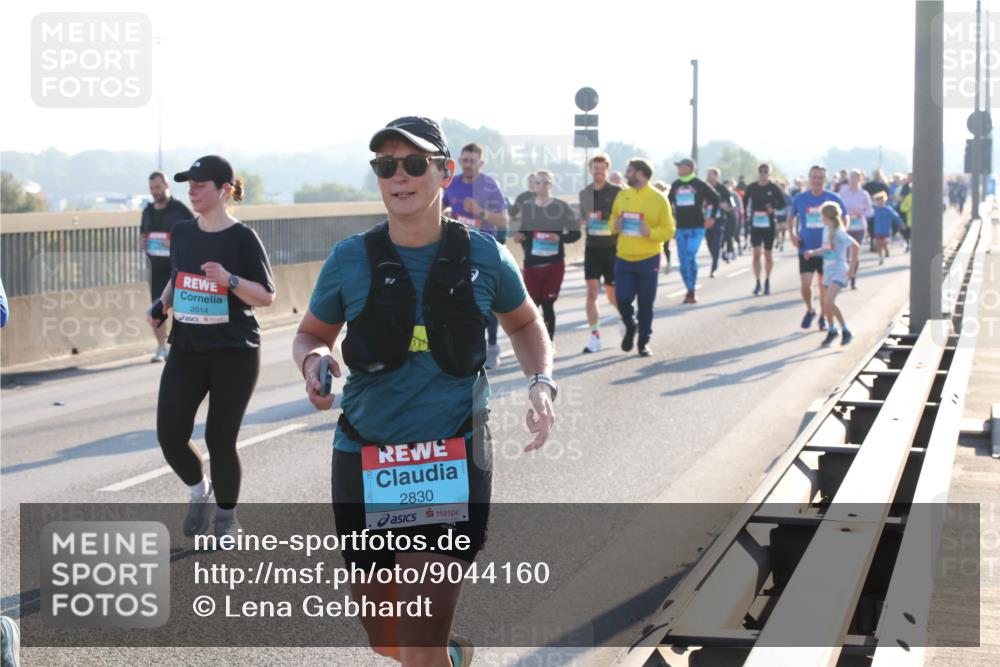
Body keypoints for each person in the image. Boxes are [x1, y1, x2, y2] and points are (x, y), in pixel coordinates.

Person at [292, 116, 555, 667]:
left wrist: (540, 383)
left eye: (414, 164)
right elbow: (311, 335)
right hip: (365, 455)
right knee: (384, 638)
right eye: (386, 166)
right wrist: (314, 360)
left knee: (416, 642)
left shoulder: (485, 257)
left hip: (449, 456)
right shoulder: (350, 260)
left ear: (444, 172)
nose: (400, 176)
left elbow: (527, 324)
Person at [147, 155, 275, 539]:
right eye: (189, 184)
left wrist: (229, 279)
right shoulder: (183, 232)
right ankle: (199, 492)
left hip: (234, 350)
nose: (192, 191)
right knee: (170, 434)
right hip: (187, 345)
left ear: (223, 190)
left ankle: (226, 518)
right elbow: (177, 277)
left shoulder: (242, 238)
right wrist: (162, 304)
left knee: (220, 438)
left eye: (200, 185)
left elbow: (267, 296)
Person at [442, 142, 511, 369]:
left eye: (473, 161)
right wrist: (444, 214)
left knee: (486, 302)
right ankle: (462, 347)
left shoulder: (490, 186)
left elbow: (503, 220)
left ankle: (492, 347)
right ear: (459, 161)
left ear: (481, 163)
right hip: (457, 249)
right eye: (465, 160)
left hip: (483, 249)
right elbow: (439, 207)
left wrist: (479, 212)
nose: (468, 165)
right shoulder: (451, 184)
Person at [610, 158, 675, 356]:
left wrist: (651, 232)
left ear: (641, 174)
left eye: (629, 171)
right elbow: (612, 221)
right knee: (622, 299)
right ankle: (631, 326)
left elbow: (669, 230)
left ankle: (643, 342)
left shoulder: (658, 199)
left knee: (646, 303)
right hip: (624, 257)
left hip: (648, 258)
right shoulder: (623, 195)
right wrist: (615, 226)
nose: (626, 174)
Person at [515, 169, 581, 342]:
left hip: (554, 264)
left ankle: (548, 343)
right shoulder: (528, 206)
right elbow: (523, 229)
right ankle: (533, 341)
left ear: (552, 185)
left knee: (547, 304)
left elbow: (576, 233)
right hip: (531, 264)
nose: (542, 186)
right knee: (532, 305)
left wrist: (559, 238)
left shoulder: (560, 206)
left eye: (546, 182)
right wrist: (519, 236)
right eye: (538, 182)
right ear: (533, 185)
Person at [141, 171, 194, 362]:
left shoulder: (180, 210)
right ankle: (161, 348)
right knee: (157, 308)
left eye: (158, 187)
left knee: (180, 308)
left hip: (177, 266)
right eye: (152, 188)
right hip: (155, 268)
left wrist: (172, 244)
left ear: (166, 185)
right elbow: (143, 235)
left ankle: (181, 345)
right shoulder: (147, 211)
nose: (155, 191)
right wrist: (145, 243)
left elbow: (194, 234)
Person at [788, 165, 846, 331]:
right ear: (809, 179)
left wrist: (840, 233)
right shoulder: (800, 198)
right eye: (814, 177)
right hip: (805, 248)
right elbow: (791, 217)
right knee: (806, 285)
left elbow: (845, 217)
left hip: (826, 250)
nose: (817, 181)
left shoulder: (833, 198)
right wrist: (792, 235)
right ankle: (810, 309)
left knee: (823, 288)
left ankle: (822, 316)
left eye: (820, 178)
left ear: (825, 180)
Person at [579, 154, 621, 353]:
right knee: (592, 292)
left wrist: (609, 219)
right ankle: (594, 336)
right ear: (590, 170)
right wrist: (582, 220)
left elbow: (622, 216)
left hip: (612, 249)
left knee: (613, 296)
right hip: (593, 249)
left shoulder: (617, 192)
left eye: (602, 168)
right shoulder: (585, 193)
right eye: (595, 168)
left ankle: (625, 319)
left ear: (608, 170)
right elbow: (581, 217)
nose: (599, 171)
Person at [803, 202, 859, 346]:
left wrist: (852, 268)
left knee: (828, 301)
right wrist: (812, 252)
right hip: (827, 269)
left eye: (821, 215)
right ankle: (832, 330)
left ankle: (846, 330)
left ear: (826, 216)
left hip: (839, 269)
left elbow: (855, 246)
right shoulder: (826, 230)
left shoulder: (839, 232)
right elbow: (826, 247)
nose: (820, 218)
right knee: (828, 304)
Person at [667, 158, 720, 304]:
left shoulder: (699, 184)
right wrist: (670, 218)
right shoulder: (675, 185)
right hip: (681, 228)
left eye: (681, 166)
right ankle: (688, 288)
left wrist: (711, 217)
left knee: (690, 255)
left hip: (697, 227)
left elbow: (715, 198)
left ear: (689, 168)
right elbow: (667, 203)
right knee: (683, 260)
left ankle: (692, 290)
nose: (678, 169)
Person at [743, 163, 786, 295]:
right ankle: (757, 282)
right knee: (756, 254)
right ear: (758, 173)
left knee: (768, 255)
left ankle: (767, 280)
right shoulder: (752, 187)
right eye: (761, 171)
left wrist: (773, 208)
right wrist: (747, 215)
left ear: (769, 174)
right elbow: (745, 203)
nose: (763, 174)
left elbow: (783, 204)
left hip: (769, 224)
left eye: (765, 171)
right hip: (756, 224)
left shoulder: (773, 188)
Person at [839, 170, 874, 289]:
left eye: (856, 178)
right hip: (845, 226)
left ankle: (853, 278)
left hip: (859, 226)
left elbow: (870, 211)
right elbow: (838, 209)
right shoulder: (843, 193)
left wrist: (862, 213)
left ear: (860, 180)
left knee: (855, 253)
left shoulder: (864, 194)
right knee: (845, 253)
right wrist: (843, 215)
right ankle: (844, 278)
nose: (853, 180)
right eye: (851, 178)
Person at [704, 167, 732, 277]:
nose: (708, 176)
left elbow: (732, 203)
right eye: (707, 174)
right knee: (709, 243)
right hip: (707, 220)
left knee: (716, 244)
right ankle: (721, 254)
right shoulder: (704, 187)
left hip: (719, 220)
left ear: (716, 176)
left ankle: (714, 268)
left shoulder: (723, 189)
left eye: (710, 174)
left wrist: (725, 206)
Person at [872, 192, 902, 265]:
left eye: (881, 201)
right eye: (878, 201)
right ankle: (880, 258)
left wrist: (901, 223)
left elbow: (896, 216)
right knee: (878, 244)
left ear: (885, 201)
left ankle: (886, 249)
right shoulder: (874, 209)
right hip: (878, 230)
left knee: (884, 243)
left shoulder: (888, 209)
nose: (880, 203)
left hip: (887, 231)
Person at [863, 169, 890, 251]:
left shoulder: (883, 185)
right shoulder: (868, 185)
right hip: (871, 208)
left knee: (878, 227)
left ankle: (882, 245)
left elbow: (887, 195)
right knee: (872, 227)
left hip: (880, 208)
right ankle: (874, 243)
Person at [651, 180, 672, 272]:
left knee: (665, 247)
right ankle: (657, 265)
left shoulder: (666, 199)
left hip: (664, 227)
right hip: (654, 227)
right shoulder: (650, 199)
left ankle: (668, 263)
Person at [774, 180, 791, 251]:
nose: (782, 189)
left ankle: (782, 244)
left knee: (783, 230)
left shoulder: (787, 196)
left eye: (783, 187)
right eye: (780, 187)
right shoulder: (776, 195)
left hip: (784, 215)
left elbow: (790, 205)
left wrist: (789, 215)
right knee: (777, 230)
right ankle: (778, 240)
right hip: (777, 214)